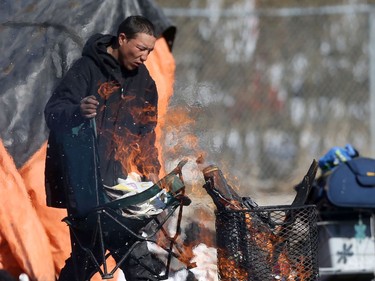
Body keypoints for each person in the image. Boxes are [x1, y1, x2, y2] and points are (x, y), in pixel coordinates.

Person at [44, 15, 164, 281]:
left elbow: (146, 134)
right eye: (140, 49)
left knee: (102, 256)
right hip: (83, 183)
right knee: (114, 255)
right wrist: (77, 111)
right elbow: (53, 113)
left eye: (150, 51)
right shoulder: (86, 70)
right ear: (122, 39)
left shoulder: (145, 83)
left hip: (119, 184)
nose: (145, 57)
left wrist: (151, 170)